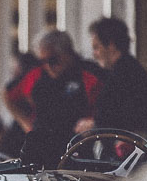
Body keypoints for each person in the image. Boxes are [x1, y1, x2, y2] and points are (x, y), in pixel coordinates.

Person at [5, 30, 103, 167]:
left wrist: (92, 123)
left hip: (75, 150)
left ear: (67, 54)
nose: (48, 66)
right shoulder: (37, 74)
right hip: (39, 149)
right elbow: (8, 95)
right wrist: (26, 124)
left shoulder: (88, 74)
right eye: (43, 61)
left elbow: (104, 109)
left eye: (53, 60)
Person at [75, 17, 147, 148]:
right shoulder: (128, 71)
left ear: (111, 46)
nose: (94, 54)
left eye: (97, 47)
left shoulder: (125, 75)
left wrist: (92, 125)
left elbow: (123, 118)